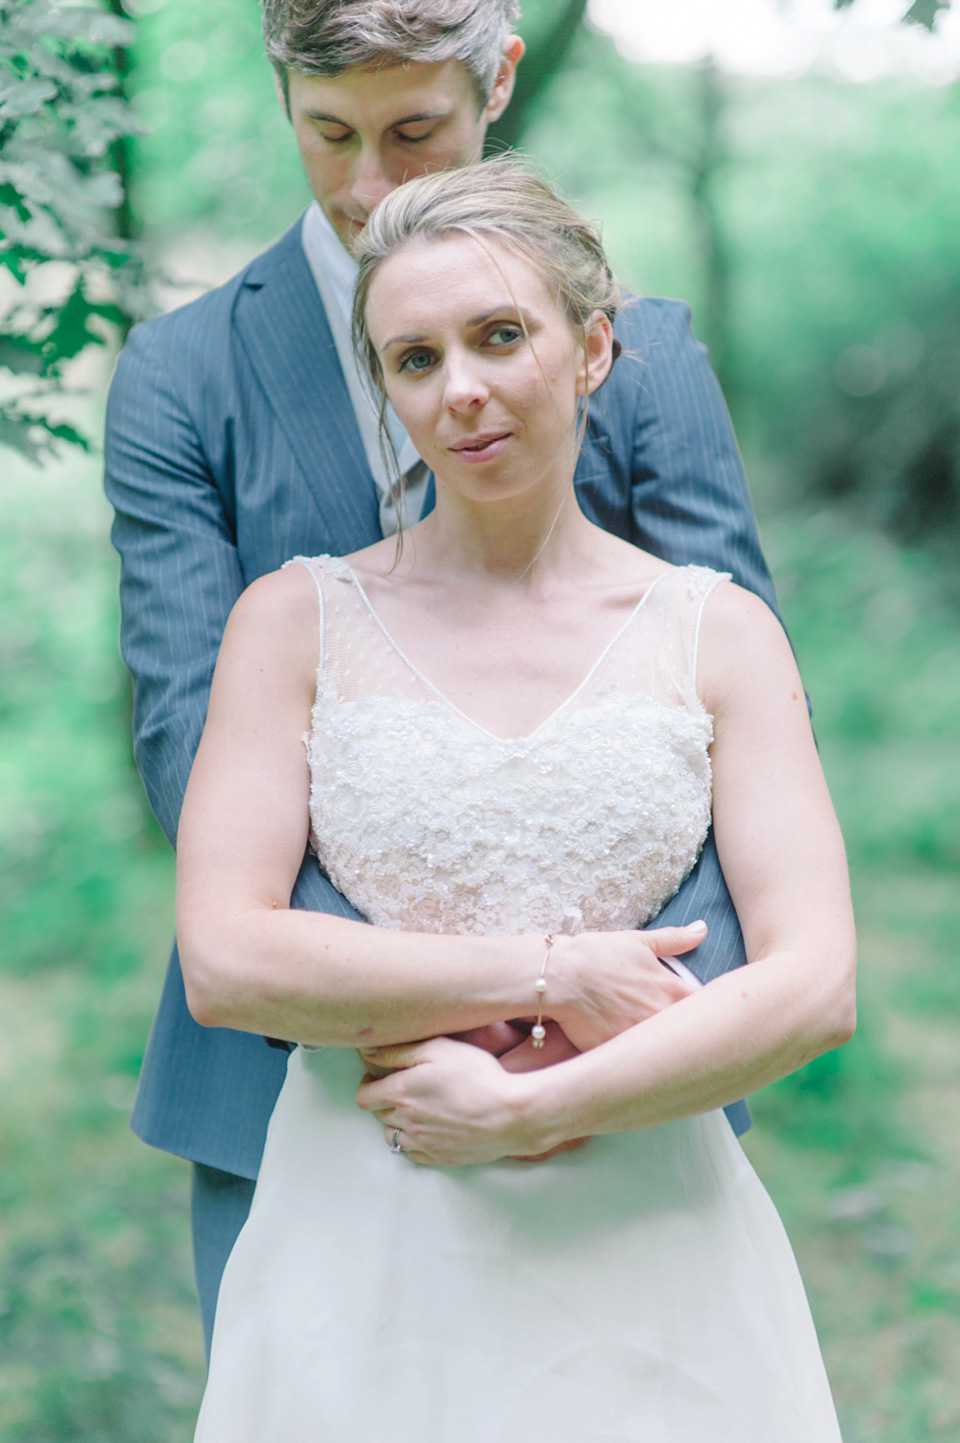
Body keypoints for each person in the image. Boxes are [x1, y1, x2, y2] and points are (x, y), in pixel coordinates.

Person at [104, 0, 782, 1357]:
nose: (369, 189)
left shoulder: (641, 347)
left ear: (498, 81)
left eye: (414, 133)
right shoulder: (182, 376)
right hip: (301, 1084)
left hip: (630, 1083)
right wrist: (455, 1006)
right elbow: (191, 738)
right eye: (329, 136)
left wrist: (619, 1030)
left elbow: (744, 717)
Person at [179, 158, 855, 1439]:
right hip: (371, 1212)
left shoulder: (718, 634)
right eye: (415, 359)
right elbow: (227, 956)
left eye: (500, 336)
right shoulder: (296, 622)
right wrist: (551, 974)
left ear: (593, 347)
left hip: (645, 1215)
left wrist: (532, 1109)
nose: (462, 390)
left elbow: (815, 984)